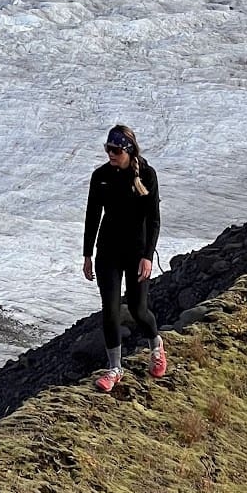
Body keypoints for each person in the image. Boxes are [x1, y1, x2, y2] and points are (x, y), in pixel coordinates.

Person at [82, 124, 166, 391]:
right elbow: (92, 215)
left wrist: (147, 256)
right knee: (110, 309)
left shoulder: (147, 176)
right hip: (108, 251)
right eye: (108, 149)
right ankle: (115, 368)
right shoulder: (101, 176)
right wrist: (87, 254)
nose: (111, 154)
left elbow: (153, 220)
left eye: (116, 150)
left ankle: (156, 345)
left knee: (138, 311)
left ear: (128, 150)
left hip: (137, 252)